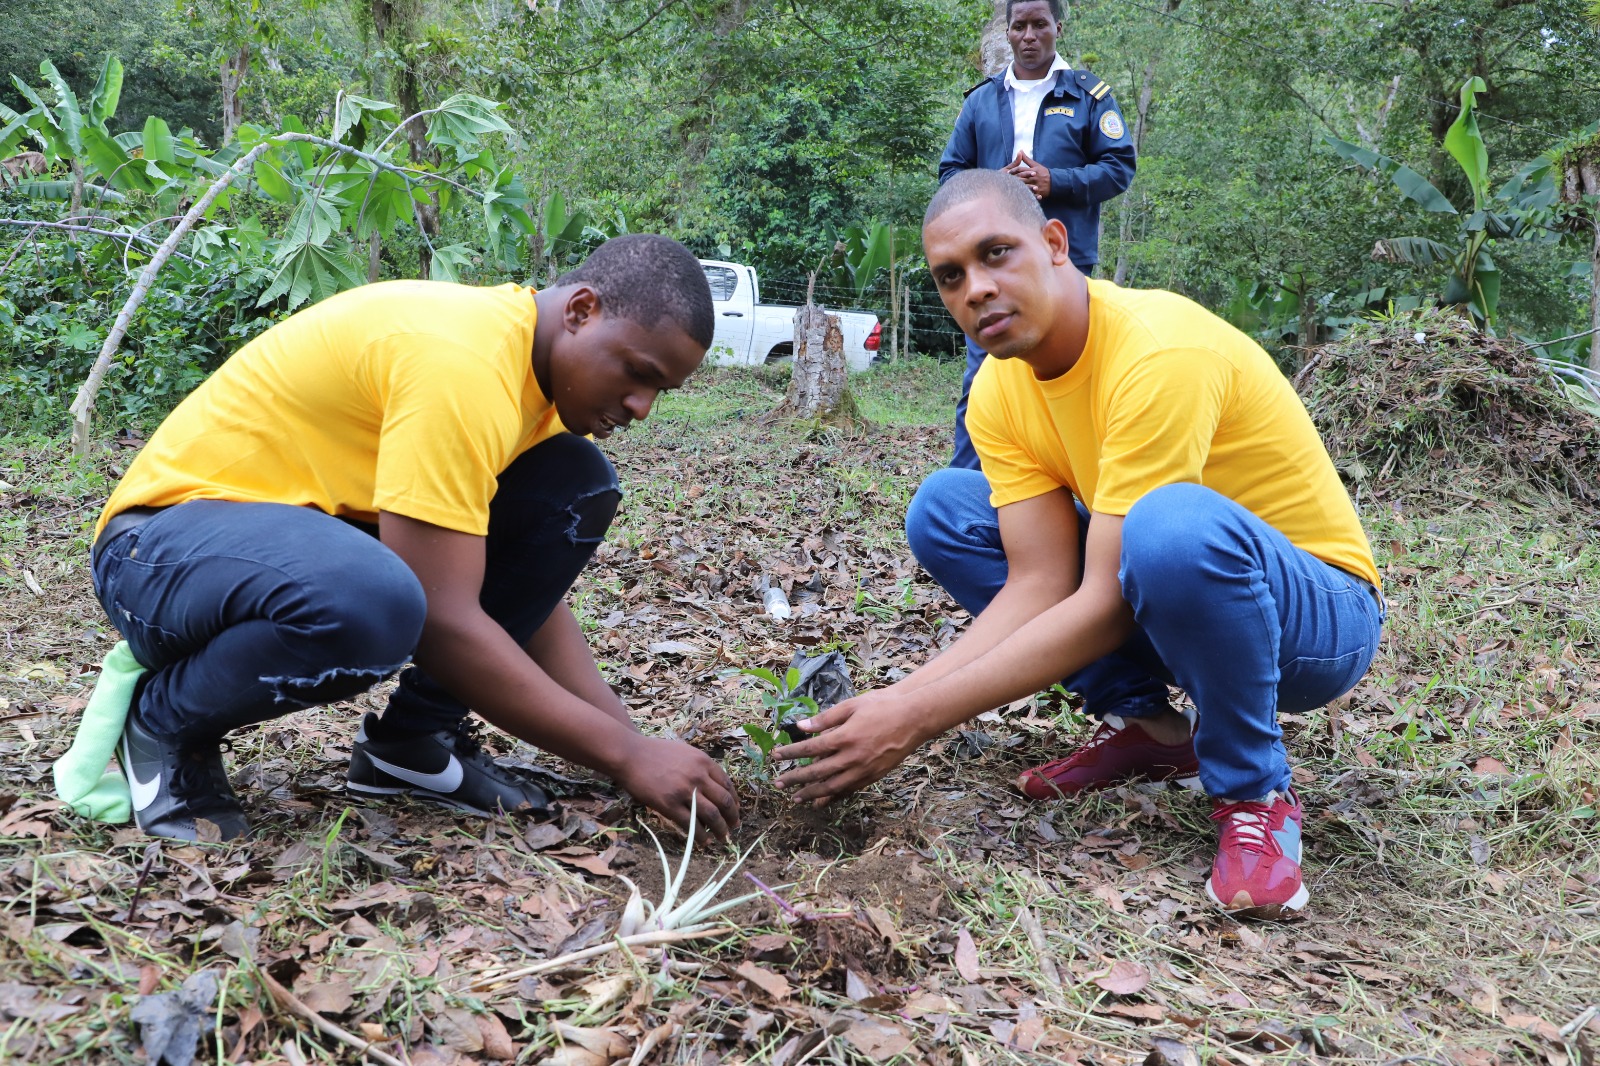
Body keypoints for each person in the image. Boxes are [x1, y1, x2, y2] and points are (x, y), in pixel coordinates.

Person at [771, 172, 1384, 919]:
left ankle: (1254, 793)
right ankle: (1153, 729)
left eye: (997, 253)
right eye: (951, 277)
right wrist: (894, 702)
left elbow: (1097, 601)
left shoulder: (1157, 353)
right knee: (946, 510)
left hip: (1314, 618)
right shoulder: (1001, 387)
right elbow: (1039, 583)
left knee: (1170, 528)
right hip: (1171, 592)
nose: (977, 289)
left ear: (1055, 244)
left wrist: (917, 722)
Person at [78, 235, 741, 844]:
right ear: (581, 311)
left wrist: (631, 744)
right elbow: (446, 620)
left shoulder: (532, 386)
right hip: (157, 553)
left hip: (285, 545)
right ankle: (165, 724)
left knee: (575, 483)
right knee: (376, 602)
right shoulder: (462, 365)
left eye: (662, 390)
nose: (641, 406)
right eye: (638, 372)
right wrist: (626, 756)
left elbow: (519, 600)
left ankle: (411, 747)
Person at [939, 0, 1137, 469]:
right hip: (991, 264)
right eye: (1019, 26)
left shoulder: (1090, 96)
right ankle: (967, 491)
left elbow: (1119, 167)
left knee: (1067, 373)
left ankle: (1076, 486)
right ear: (1007, 33)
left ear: (1058, 28)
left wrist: (1056, 181)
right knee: (983, 377)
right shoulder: (981, 101)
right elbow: (951, 172)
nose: (1029, 35)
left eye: (1039, 25)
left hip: (1062, 261)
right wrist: (993, 186)